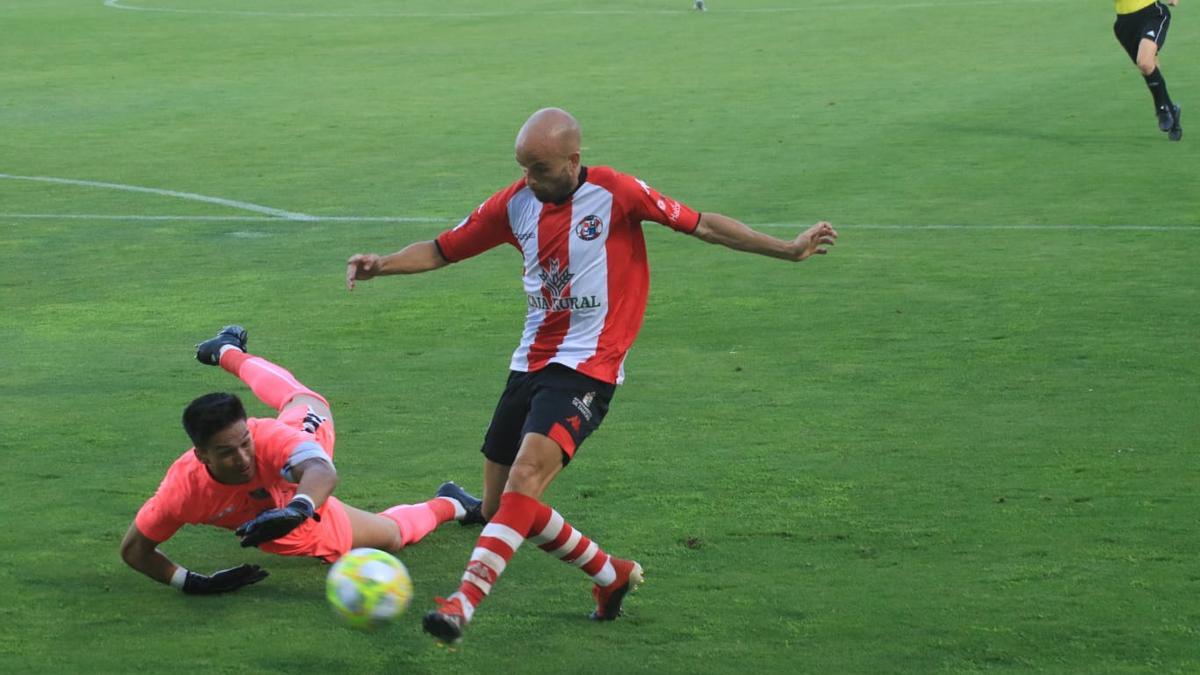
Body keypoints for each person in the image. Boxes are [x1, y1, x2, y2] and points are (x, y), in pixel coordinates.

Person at [345, 107, 838, 643]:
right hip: (530, 362)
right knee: (498, 510)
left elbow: (705, 225)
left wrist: (787, 249)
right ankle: (610, 574)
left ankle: (462, 604)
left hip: (589, 368)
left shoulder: (617, 192)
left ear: (573, 160)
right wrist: (384, 264)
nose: (529, 180)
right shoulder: (516, 204)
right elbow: (443, 249)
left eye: (540, 168)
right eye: (523, 168)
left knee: (525, 480)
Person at [119, 325, 483, 595]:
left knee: (306, 401)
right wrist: (193, 583)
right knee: (388, 536)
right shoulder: (183, 490)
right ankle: (453, 501)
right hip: (284, 527)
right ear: (202, 456)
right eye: (227, 452)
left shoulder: (268, 438)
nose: (243, 457)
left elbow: (321, 469)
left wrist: (298, 507)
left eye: (244, 442)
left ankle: (227, 352)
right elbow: (135, 549)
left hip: (297, 489)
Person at [1114, 0, 1183, 140]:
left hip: (1151, 13)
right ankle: (1171, 111)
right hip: (1124, 22)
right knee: (1149, 67)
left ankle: (1161, 109)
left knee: (1144, 62)